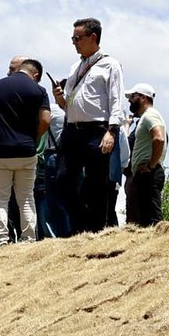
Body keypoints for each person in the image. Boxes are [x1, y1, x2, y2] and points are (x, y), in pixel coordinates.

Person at [53, 20, 124, 233]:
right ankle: (80, 225)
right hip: (72, 128)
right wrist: (59, 100)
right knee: (63, 179)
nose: (74, 43)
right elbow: (70, 103)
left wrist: (112, 131)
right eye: (72, 39)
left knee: (96, 182)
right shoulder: (75, 66)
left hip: (97, 129)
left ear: (93, 37)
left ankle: (96, 229)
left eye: (78, 38)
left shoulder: (110, 64)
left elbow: (116, 99)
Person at [0, 54, 49, 242]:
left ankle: (2, 239)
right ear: (35, 74)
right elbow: (45, 119)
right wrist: (33, 136)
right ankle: (28, 238)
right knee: (26, 198)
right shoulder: (39, 90)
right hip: (26, 150)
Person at [123, 88, 168, 226]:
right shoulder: (145, 117)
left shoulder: (150, 115)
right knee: (142, 222)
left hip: (148, 173)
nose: (130, 100)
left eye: (132, 96)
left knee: (153, 221)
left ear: (143, 97)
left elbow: (159, 138)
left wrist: (151, 165)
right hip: (144, 173)